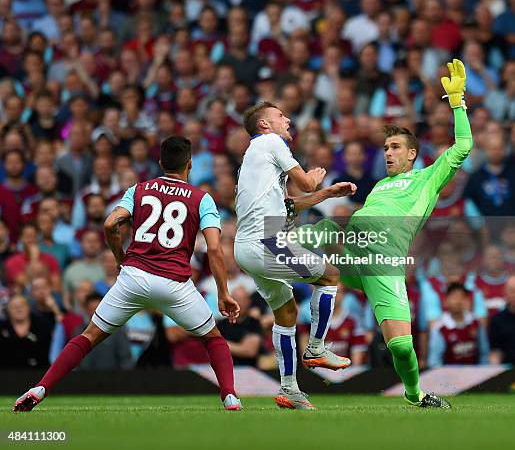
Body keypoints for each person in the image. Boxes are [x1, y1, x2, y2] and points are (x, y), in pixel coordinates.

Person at [13, 136, 242, 412]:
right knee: (213, 338)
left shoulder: (139, 189)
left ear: (160, 163)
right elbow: (215, 251)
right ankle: (229, 396)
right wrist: (223, 293)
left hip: (134, 278)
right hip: (175, 285)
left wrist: (120, 257)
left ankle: (40, 388)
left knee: (90, 336)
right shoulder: (202, 199)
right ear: (190, 164)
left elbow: (111, 223)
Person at [340, 59, 473, 408]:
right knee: (322, 231)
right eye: (385, 148)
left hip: (384, 262)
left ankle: (415, 394)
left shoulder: (428, 177)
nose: (388, 152)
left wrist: (457, 102)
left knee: (400, 345)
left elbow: (462, 147)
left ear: (413, 153)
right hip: (355, 248)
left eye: (395, 147)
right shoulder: (378, 187)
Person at [234, 101, 357, 410]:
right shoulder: (270, 142)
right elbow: (305, 182)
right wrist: (315, 180)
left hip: (246, 246)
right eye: (279, 116)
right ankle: (315, 348)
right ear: (265, 125)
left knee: (287, 313)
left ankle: (290, 391)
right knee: (330, 274)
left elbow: (289, 206)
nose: (287, 119)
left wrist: (326, 194)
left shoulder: (255, 161)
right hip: (266, 239)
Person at [428, 282, 489, 367]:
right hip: (449, 377)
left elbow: (484, 353)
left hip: (475, 375)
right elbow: (435, 361)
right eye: (454, 297)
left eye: (462, 297)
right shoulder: (440, 328)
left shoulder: (476, 323)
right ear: (446, 301)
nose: (458, 301)